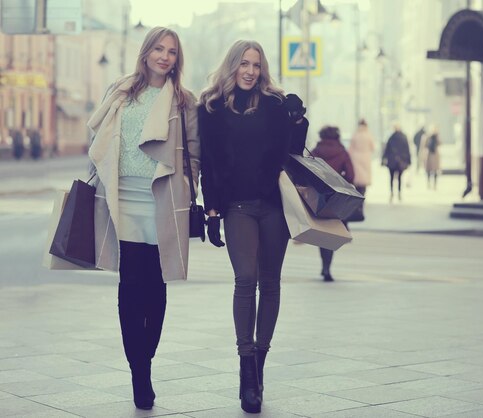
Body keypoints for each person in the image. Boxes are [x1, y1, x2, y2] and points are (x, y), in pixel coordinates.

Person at [86, 27, 199, 410]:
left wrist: (186, 185)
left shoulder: (184, 101)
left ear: (176, 59)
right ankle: (139, 371)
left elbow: (194, 155)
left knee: (156, 285)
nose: (164, 57)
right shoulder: (121, 92)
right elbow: (100, 139)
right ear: (146, 51)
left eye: (171, 52)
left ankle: (144, 358)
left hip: (162, 199)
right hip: (122, 199)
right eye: (158, 49)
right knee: (130, 285)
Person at [197, 39, 308, 414]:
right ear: (232, 65)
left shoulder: (275, 106)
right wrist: (211, 210)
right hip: (237, 207)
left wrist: (297, 119)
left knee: (271, 282)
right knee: (245, 279)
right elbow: (208, 165)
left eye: (256, 65)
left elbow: (291, 155)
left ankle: (260, 367)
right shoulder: (210, 107)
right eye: (244, 63)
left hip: (273, 207)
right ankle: (246, 369)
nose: (250, 71)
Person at [311, 125, 354, 282]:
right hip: (337, 198)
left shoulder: (315, 152)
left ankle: (324, 265)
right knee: (332, 232)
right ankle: (327, 267)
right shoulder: (342, 152)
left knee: (323, 233)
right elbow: (350, 174)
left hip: (318, 197)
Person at [381, 124, 411, 202]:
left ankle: (391, 193)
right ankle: (399, 193)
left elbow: (386, 150)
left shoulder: (391, 137)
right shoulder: (404, 137)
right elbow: (407, 150)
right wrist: (409, 161)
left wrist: (383, 159)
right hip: (401, 161)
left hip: (391, 161)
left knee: (391, 178)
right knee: (400, 178)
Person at [348, 118, 375, 196]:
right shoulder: (368, 135)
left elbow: (350, 149)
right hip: (366, 158)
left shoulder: (355, 135)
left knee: (357, 179)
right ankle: (363, 195)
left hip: (355, 158)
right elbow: (373, 147)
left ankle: (357, 196)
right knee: (364, 180)